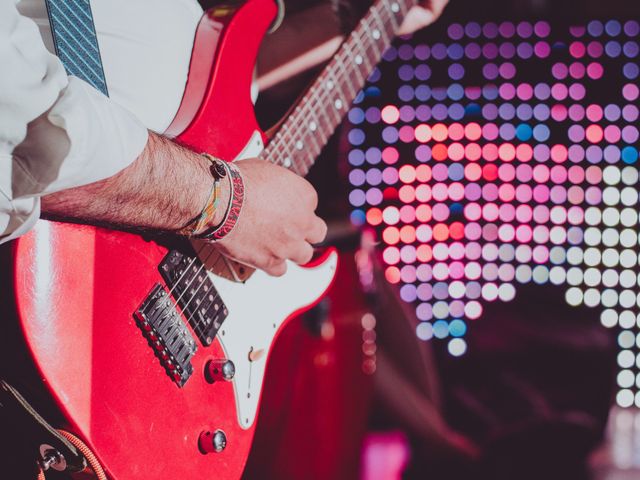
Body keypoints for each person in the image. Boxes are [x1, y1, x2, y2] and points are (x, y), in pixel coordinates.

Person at [1, 0, 447, 277]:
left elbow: (200, 81)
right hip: (58, 278)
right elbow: (22, 130)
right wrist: (224, 202)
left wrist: (357, 17)